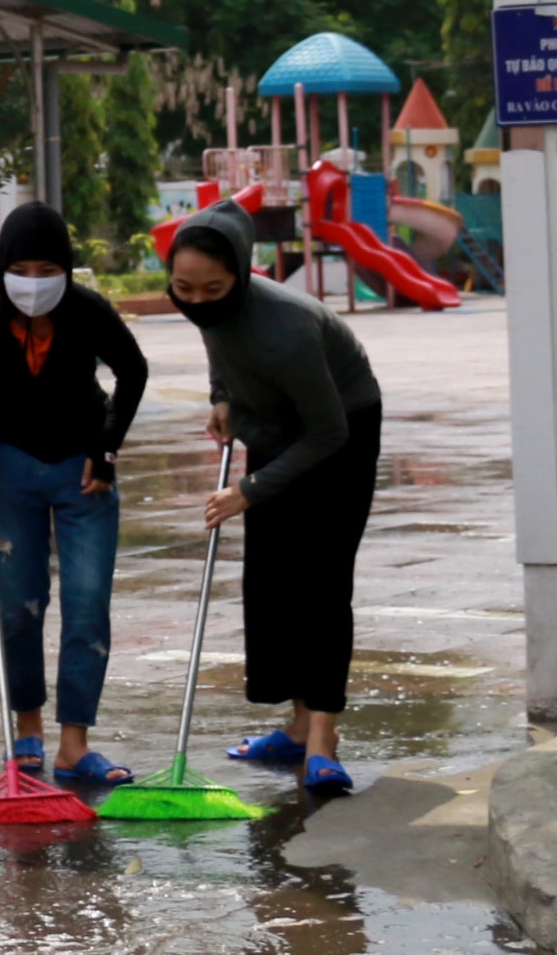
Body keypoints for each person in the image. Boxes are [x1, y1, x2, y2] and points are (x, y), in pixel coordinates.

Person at [0, 201, 148, 786]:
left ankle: (74, 744)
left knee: (86, 602)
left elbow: (134, 369)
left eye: (47, 270)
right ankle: (28, 729)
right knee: (19, 602)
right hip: (11, 468)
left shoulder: (88, 311)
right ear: (1, 269)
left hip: (83, 471)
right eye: (20, 269)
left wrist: (106, 449)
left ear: (67, 270)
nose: (33, 282)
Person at [169, 198, 381, 797]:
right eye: (183, 287)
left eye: (213, 288)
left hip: (340, 430)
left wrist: (252, 489)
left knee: (321, 581)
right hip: (273, 421)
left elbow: (330, 431)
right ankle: (294, 725)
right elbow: (218, 341)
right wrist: (221, 397)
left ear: (239, 273)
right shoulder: (209, 308)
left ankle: (322, 741)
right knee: (276, 582)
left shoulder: (285, 328)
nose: (197, 300)